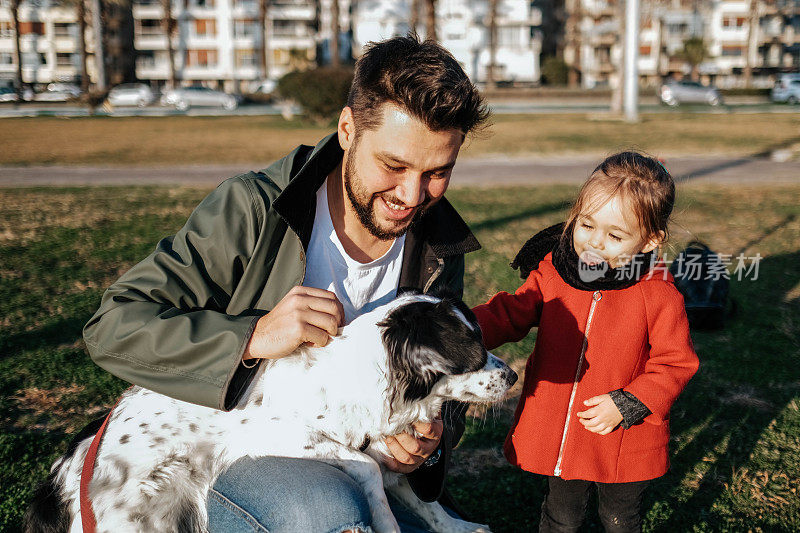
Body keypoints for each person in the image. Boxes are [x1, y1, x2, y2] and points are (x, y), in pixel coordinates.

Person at [82, 34, 489, 532]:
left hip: (364, 464)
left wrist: (428, 436)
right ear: (347, 130)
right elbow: (115, 324)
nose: (411, 194)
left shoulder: (440, 248)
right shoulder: (251, 208)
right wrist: (251, 338)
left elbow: (448, 378)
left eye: (437, 172)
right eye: (393, 165)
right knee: (326, 514)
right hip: (230, 453)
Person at [471, 152, 700, 533]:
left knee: (620, 518)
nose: (594, 242)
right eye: (586, 224)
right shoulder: (555, 270)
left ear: (649, 241)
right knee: (561, 516)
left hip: (623, 433)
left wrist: (629, 403)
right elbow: (514, 312)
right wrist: (464, 328)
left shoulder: (657, 293)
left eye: (615, 236)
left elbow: (675, 363)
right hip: (567, 433)